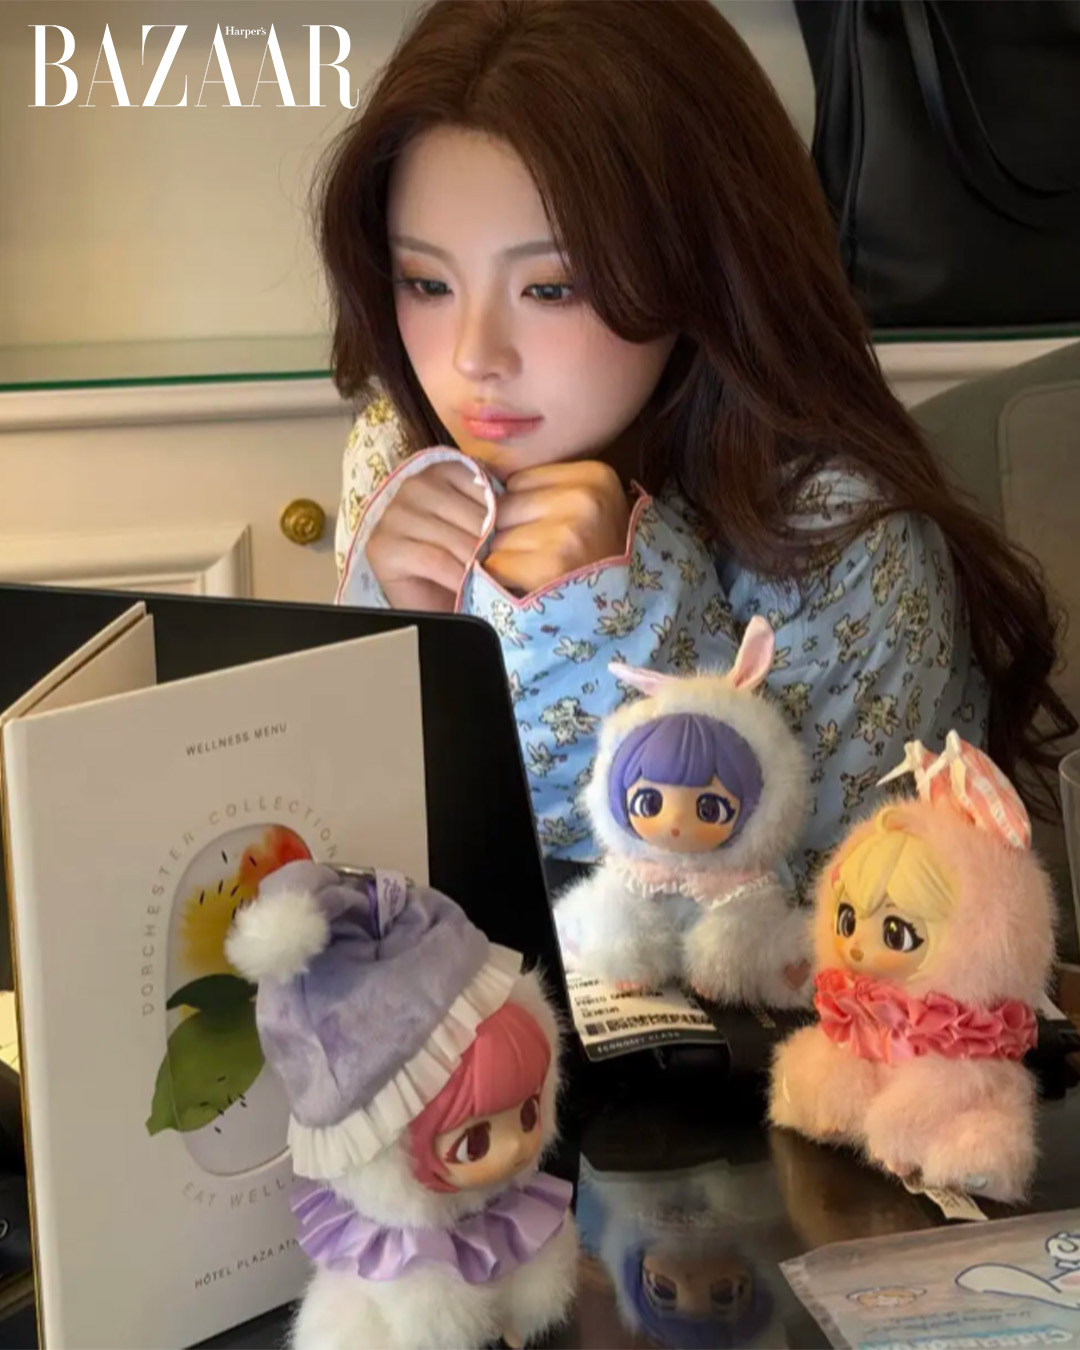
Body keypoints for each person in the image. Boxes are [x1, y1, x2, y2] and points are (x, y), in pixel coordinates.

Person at [318, 0, 1074, 889]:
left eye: (553, 288)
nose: (474, 358)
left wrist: (611, 618)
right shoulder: (398, 457)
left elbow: (825, 938)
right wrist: (403, 629)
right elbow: (369, 853)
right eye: (425, 281)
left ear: (703, 259)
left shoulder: (845, 541)